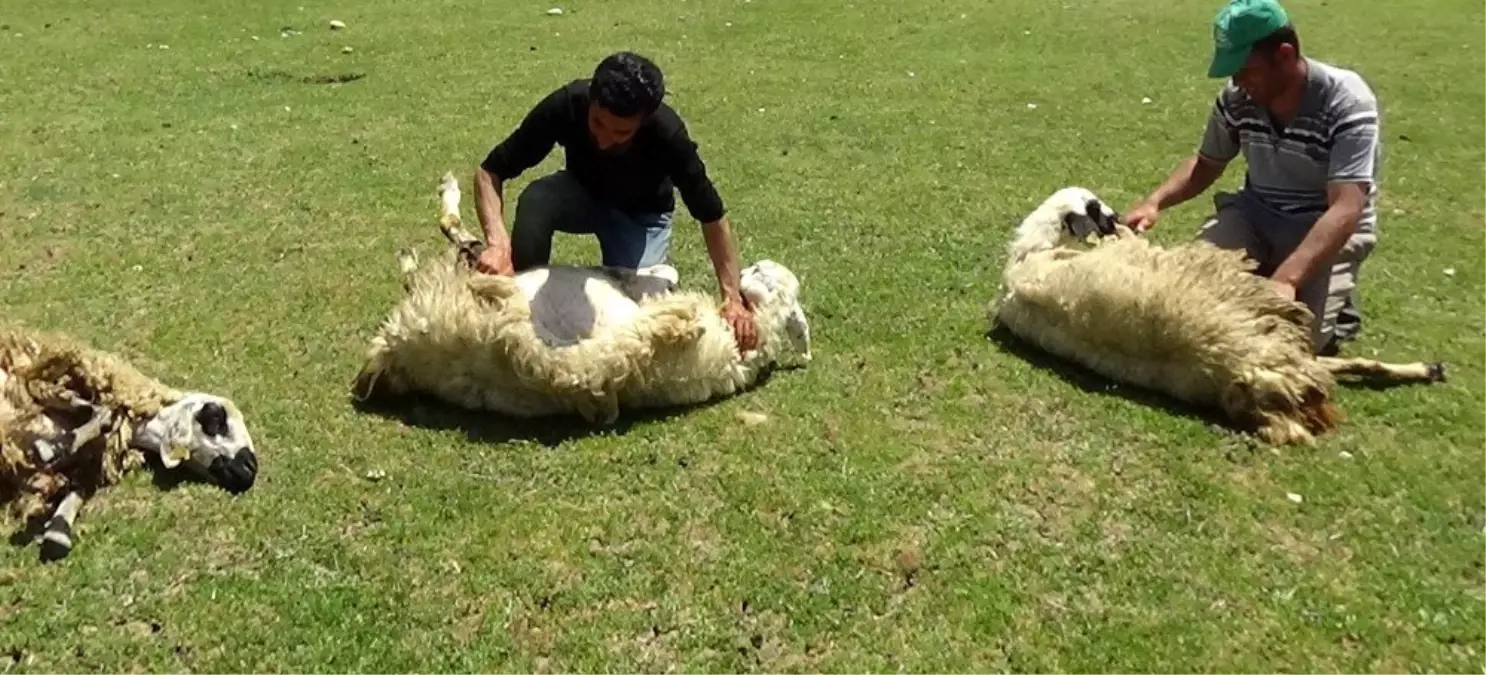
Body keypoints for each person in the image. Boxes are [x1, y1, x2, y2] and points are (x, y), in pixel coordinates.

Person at [1123, 0, 1380, 356]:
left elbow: (1347, 206)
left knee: (1290, 344)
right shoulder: (1238, 97)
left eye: (1244, 69)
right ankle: (1271, 272)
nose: (1237, 81)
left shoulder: (1346, 101)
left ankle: (1327, 295)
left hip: (1321, 226)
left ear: (1285, 55)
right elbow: (1206, 162)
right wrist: (1154, 202)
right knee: (1182, 294)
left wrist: (1288, 279)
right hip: (1256, 215)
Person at [471, 51, 757, 352]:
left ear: (644, 121)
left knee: (638, 310)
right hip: (582, 194)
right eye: (597, 123)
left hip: (641, 217)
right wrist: (498, 243)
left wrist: (732, 297)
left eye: (621, 132)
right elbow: (490, 171)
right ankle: (518, 293)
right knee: (537, 200)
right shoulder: (568, 103)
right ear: (592, 99)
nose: (605, 139)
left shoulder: (668, 134)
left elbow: (711, 215)